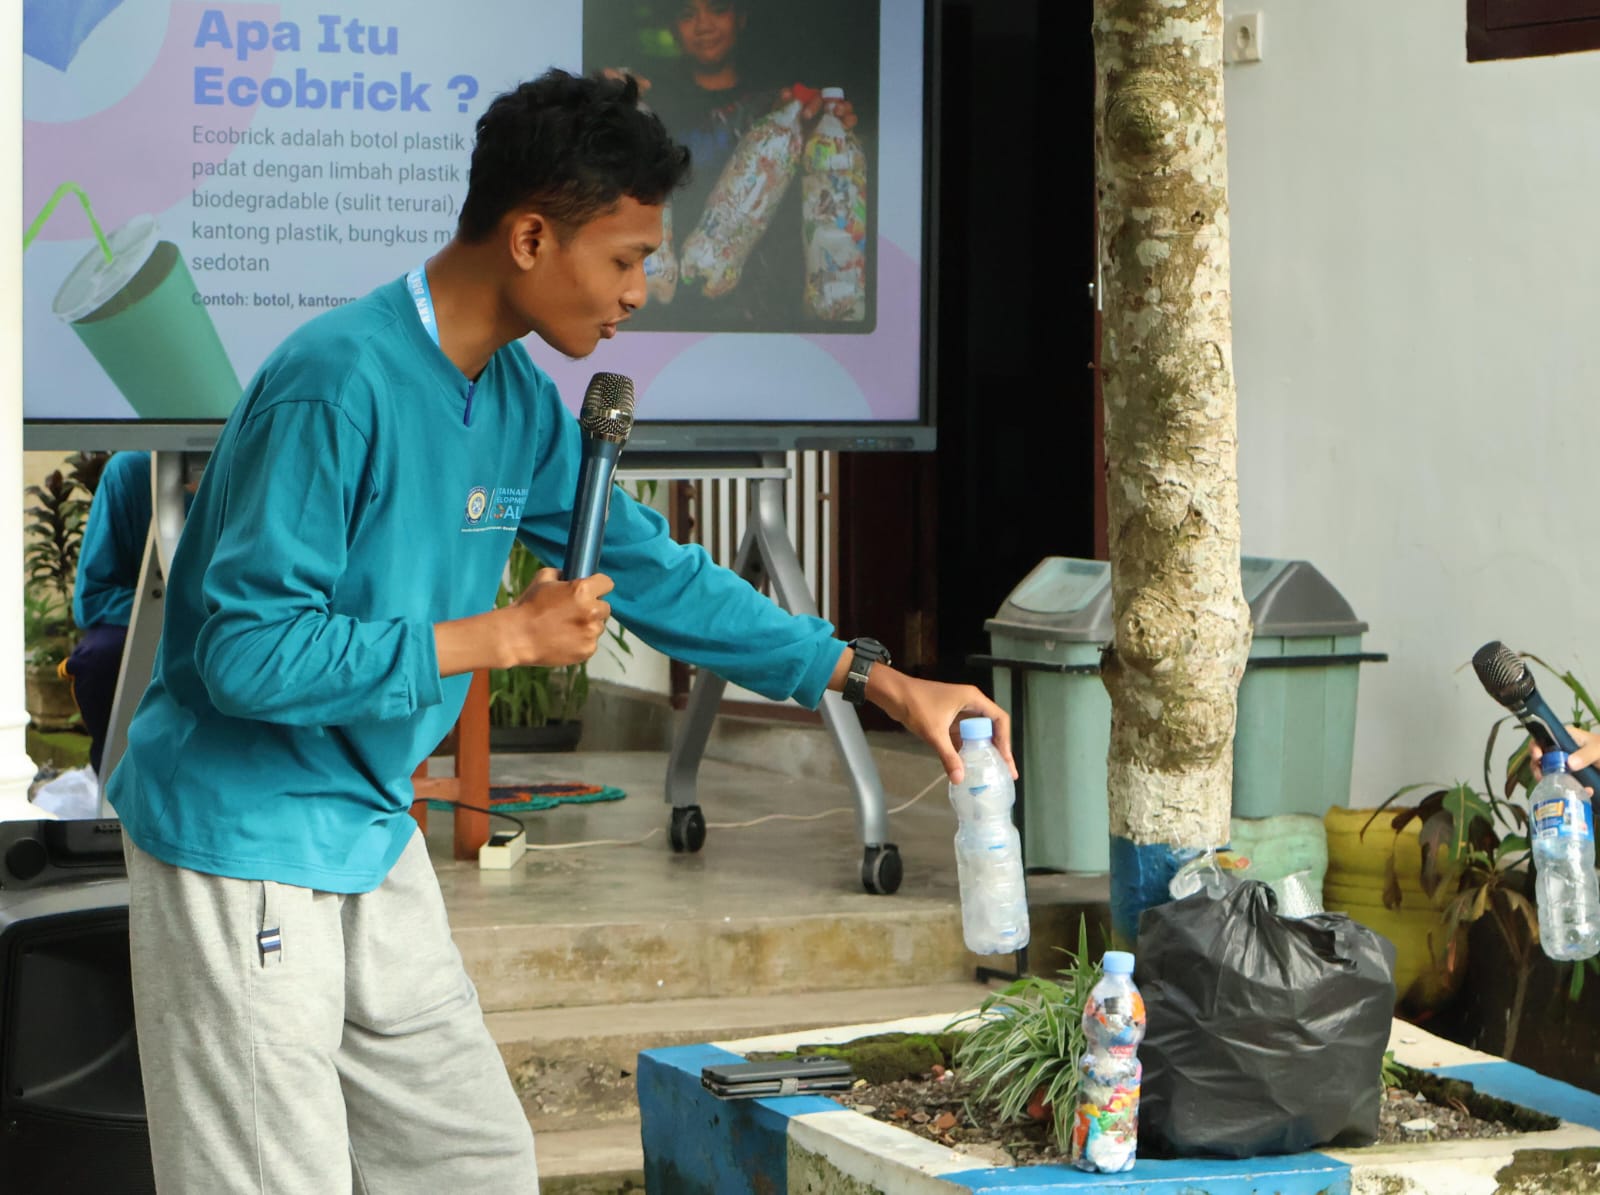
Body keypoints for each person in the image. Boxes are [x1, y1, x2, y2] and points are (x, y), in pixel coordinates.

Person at [106, 68, 1010, 1193]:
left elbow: (657, 575)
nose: (641, 290)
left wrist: (872, 677)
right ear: (531, 235)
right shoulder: (335, 382)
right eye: (624, 258)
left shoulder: (518, 401)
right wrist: (495, 638)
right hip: (243, 836)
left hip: (364, 824)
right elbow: (243, 655)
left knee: (474, 1164)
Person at [616, 0, 856, 331]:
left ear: (741, 18)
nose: (703, 25)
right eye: (687, 15)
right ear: (673, 27)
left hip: (763, 308)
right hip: (667, 310)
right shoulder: (654, 103)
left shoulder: (779, 102)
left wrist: (827, 125)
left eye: (718, 9)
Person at [63, 450, 150, 774]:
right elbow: (93, 600)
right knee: (100, 657)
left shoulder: (271, 460)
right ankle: (115, 793)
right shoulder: (133, 470)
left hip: (252, 620)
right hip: (155, 617)